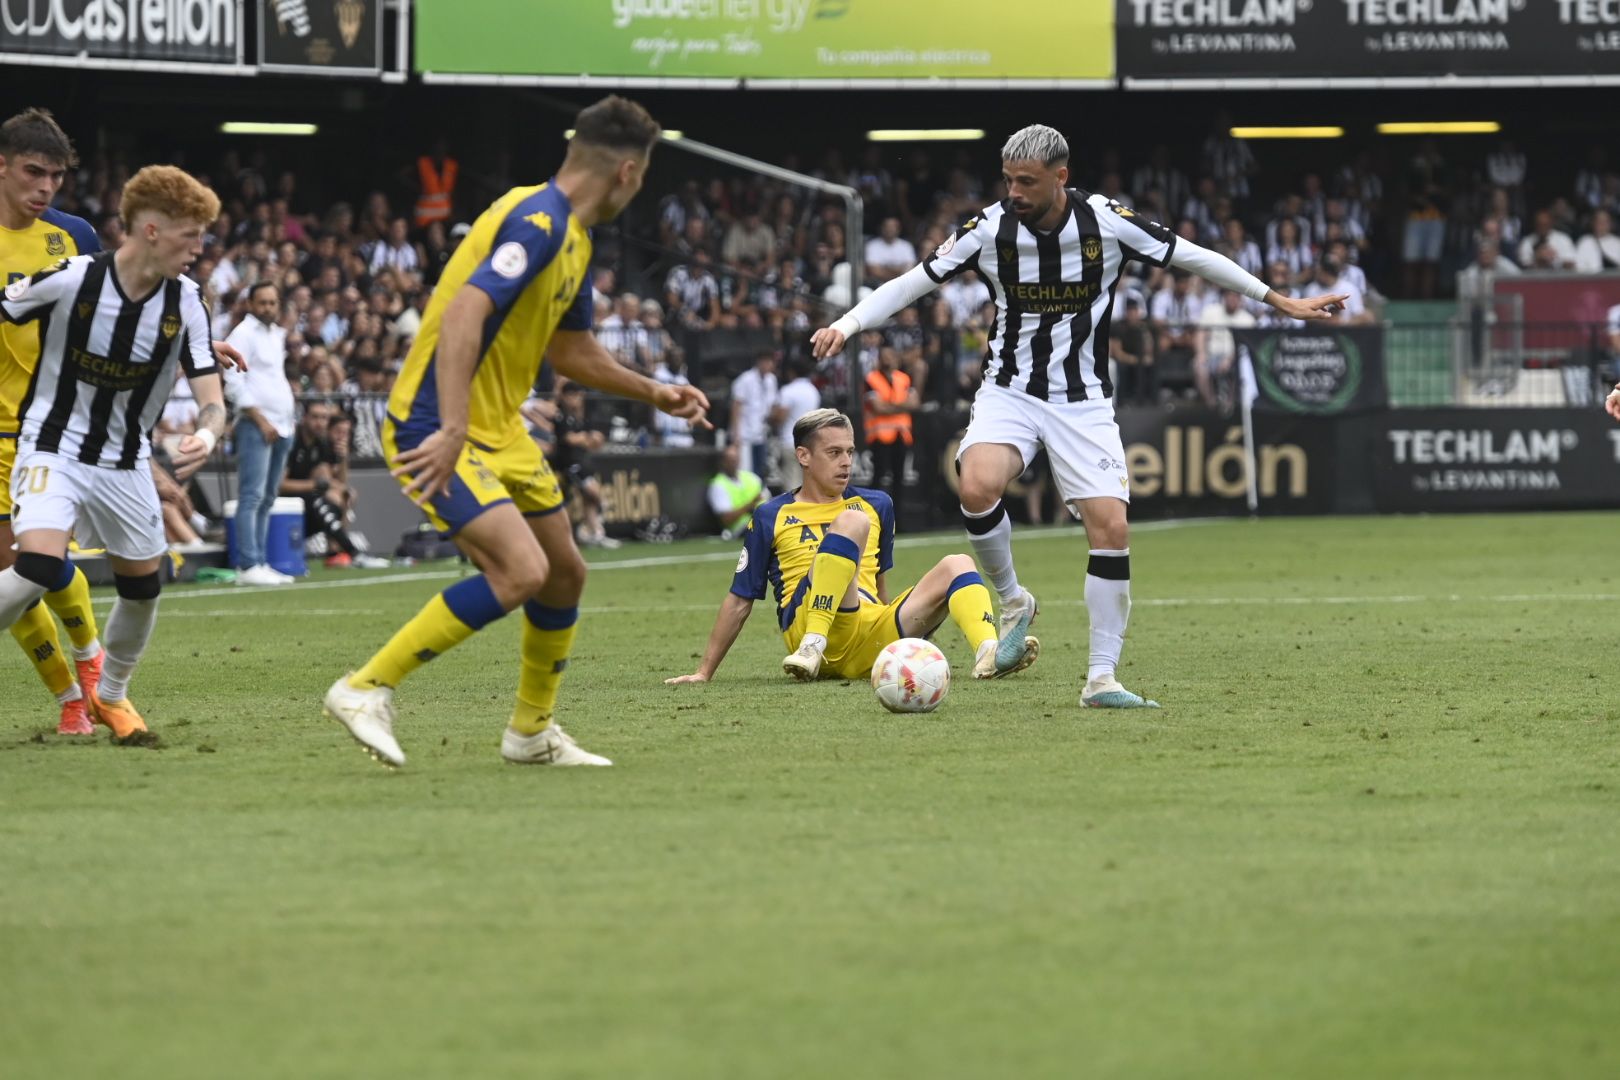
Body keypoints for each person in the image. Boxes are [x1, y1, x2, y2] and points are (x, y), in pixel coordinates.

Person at [812, 124, 1345, 708]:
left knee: (1111, 530)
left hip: (1082, 398)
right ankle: (1013, 599)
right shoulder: (990, 229)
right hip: (1009, 389)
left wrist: (1279, 300)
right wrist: (849, 323)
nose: (1013, 191)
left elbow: (1193, 257)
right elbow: (913, 282)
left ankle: (1101, 679)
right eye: (1008, 179)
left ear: (1060, 177)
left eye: (1027, 181)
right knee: (976, 484)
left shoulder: (1106, 222)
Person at [323, 95, 709, 770]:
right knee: (520, 571)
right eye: (642, 175)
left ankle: (530, 733)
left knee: (564, 574)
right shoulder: (537, 222)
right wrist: (449, 426)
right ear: (626, 172)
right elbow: (466, 315)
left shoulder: (575, 239)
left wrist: (655, 391)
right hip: (435, 423)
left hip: (497, 429)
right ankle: (363, 688)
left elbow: (573, 352)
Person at [0, 164, 228, 739]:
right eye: (189, 235)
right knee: (37, 566)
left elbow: (210, 397)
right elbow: (8, 306)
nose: (198, 249)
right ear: (150, 229)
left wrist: (207, 433)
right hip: (52, 446)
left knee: (143, 588)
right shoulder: (72, 279)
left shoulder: (188, 302)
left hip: (125, 461)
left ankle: (112, 695)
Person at [665, 409, 1037, 687]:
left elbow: (878, 582)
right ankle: (813, 643)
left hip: (867, 633)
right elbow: (740, 599)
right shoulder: (771, 515)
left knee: (958, 562)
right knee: (852, 522)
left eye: (850, 451)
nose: (846, 462)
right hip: (809, 631)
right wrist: (704, 671)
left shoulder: (879, 504)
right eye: (834, 452)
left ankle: (989, 653)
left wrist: (901, 628)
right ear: (803, 457)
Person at [0, 107, 106, 734]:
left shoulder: (73, 237)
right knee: (8, 577)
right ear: (3, 168)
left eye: (55, 178)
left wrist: (195, 343)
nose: (45, 188)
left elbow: (129, 296)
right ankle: (70, 699)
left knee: (40, 561)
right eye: (33, 173)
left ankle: (90, 659)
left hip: (49, 429)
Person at [224, 280, 298, 586]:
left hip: (283, 422)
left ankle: (260, 562)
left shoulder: (276, 334)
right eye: (262, 302)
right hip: (257, 424)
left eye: (272, 302)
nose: (268, 308)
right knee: (252, 495)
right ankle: (248, 564)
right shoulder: (243, 333)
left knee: (268, 497)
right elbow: (231, 378)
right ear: (251, 305)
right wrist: (259, 418)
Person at [280, 398, 386, 568]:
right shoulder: (292, 442)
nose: (319, 423)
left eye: (324, 418)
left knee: (342, 494)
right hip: (283, 507)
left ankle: (334, 552)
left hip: (307, 508)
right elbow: (279, 486)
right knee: (317, 499)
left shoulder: (320, 444)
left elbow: (336, 481)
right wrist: (314, 485)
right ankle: (354, 553)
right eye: (315, 417)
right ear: (304, 418)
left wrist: (343, 458)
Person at [864, 345, 917, 517]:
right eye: (885, 356)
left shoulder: (904, 378)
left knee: (899, 479)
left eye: (891, 356)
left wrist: (889, 406)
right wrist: (902, 406)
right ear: (879, 359)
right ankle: (872, 517)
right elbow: (878, 408)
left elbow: (914, 403)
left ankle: (898, 519)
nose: (888, 359)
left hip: (901, 435)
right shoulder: (871, 378)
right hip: (879, 436)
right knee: (878, 478)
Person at [771, 358, 820, 491]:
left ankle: (794, 511)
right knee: (806, 484)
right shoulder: (813, 391)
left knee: (791, 484)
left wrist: (771, 419)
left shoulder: (789, 391)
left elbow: (780, 416)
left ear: (791, 372)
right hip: (809, 443)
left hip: (790, 442)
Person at [729, 349, 777, 479]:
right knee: (746, 469)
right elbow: (736, 406)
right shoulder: (745, 379)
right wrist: (735, 434)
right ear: (759, 362)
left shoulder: (771, 380)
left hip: (761, 432)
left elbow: (771, 405)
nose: (768, 365)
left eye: (770, 362)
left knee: (761, 468)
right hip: (744, 432)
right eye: (765, 362)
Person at [708, 443, 767, 540]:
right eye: (730, 460)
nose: (734, 463)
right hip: (739, 529)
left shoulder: (751, 478)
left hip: (760, 522)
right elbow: (726, 519)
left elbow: (767, 498)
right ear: (723, 462)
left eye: (735, 459)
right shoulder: (718, 485)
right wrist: (750, 506)